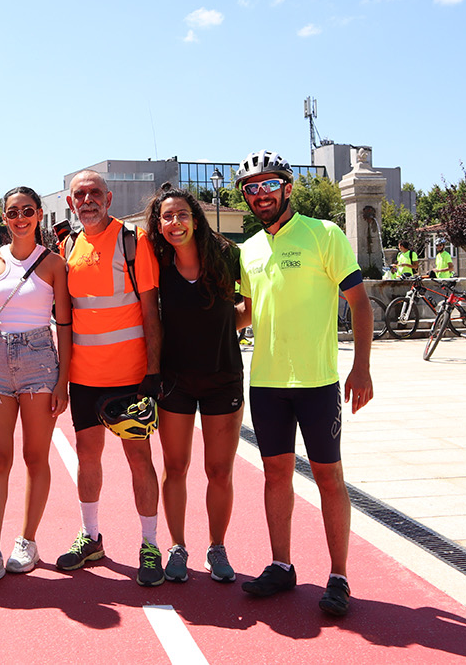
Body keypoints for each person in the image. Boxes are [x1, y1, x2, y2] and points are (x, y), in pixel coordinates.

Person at [233, 151, 373, 618]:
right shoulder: (249, 249)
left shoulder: (324, 234)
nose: (260, 194)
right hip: (266, 383)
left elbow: (360, 302)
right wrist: (198, 320)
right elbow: (247, 312)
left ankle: (339, 576)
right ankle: (281, 565)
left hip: (317, 382)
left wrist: (362, 367)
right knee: (275, 474)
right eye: (251, 188)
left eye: (268, 185)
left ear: (288, 188)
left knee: (328, 476)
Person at [54, 170, 165, 587]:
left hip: (130, 377)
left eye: (95, 193)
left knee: (139, 459)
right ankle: (91, 537)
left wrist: (152, 373)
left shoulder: (133, 241)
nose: (88, 200)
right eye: (80, 195)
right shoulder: (68, 245)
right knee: (87, 457)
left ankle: (150, 544)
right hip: (84, 377)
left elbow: (150, 312)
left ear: (109, 197)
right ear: (70, 203)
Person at [0, 186, 72, 589]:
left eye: (27, 210)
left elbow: (65, 324)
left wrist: (63, 379)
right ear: (3, 217)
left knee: (35, 457)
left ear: (39, 214)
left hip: (41, 361)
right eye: (12, 212)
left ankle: (27, 541)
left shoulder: (54, 263)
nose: (20, 218)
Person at [146, 188, 247, 584]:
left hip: (223, 377)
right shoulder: (157, 263)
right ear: (159, 225)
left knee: (219, 470)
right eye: (167, 217)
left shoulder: (227, 255)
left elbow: (249, 308)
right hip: (175, 381)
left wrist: (219, 328)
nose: (175, 223)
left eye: (182, 214)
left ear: (196, 218)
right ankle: (177, 546)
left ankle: (217, 547)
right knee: (175, 467)